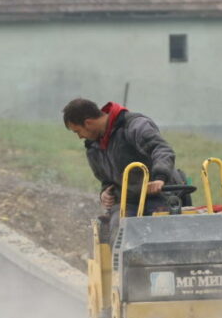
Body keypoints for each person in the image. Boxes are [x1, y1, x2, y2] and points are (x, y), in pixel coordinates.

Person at [61, 96, 190, 225]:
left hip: (161, 195)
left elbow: (162, 149)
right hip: (129, 202)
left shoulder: (135, 126)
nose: (79, 137)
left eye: (78, 131)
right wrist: (105, 193)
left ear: (88, 123)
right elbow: (107, 180)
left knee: (157, 227)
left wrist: (160, 178)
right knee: (118, 228)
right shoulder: (93, 148)